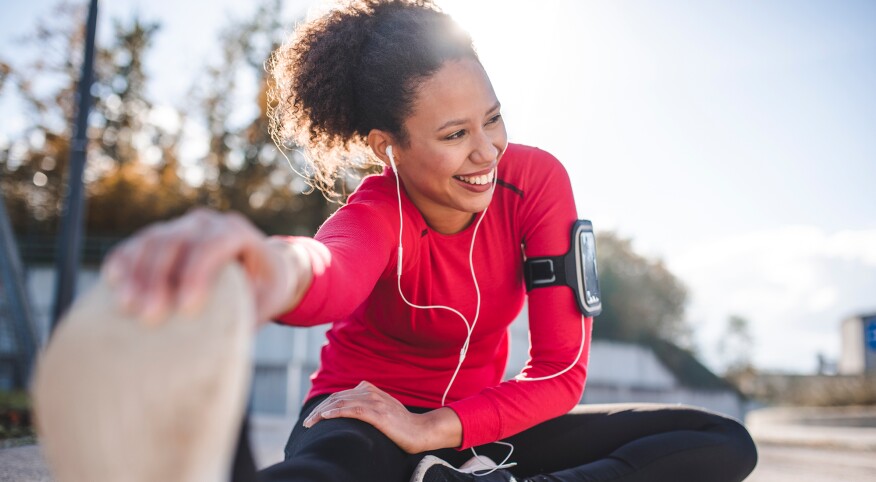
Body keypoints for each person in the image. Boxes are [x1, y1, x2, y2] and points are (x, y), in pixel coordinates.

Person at [97, 1, 758, 481]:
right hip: (364, 421)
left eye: (492, 119)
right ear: (390, 147)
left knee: (717, 441)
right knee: (331, 471)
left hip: (477, 429)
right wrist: (261, 264)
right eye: (454, 135)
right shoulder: (378, 208)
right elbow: (328, 270)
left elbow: (559, 371)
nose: (486, 152)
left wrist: (437, 430)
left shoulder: (536, 181)